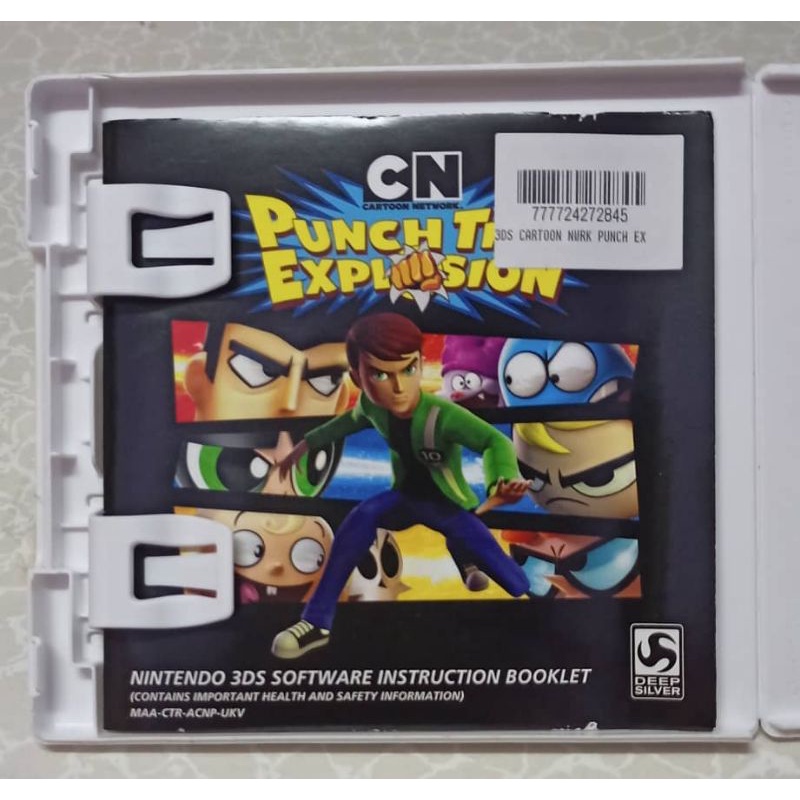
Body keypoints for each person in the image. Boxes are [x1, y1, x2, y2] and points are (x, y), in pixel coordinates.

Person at [270, 312, 532, 659]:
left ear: (421, 364)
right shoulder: (371, 406)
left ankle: (463, 554)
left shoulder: (442, 414)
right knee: (360, 518)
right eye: (380, 374)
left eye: (409, 369)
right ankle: (316, 623)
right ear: (357, 377)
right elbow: (348, 422)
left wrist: (500, 480)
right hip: (403, 498)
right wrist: (306, 444)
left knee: (517, 584)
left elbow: (494, 442)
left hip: (448, 506)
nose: (398, 387)